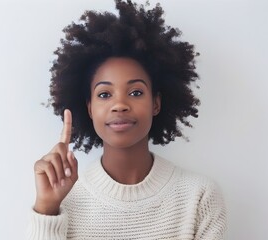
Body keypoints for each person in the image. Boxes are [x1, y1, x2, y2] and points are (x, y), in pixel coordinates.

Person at [27, 0, 227, 239]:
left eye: (135, 92)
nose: (120, 104)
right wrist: (47, 209)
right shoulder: (64, 199)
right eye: (104, 94)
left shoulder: (199, 196)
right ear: (89, 108)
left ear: (156, 103)